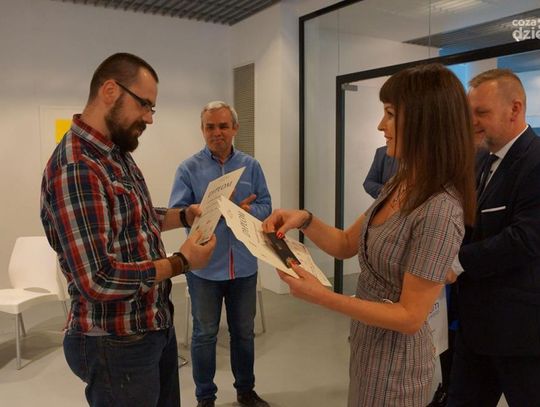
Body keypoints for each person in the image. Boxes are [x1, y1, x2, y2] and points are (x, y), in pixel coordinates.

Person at [262, 63, 476, 407]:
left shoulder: (439, 209)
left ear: (424, 121)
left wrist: (322, 297)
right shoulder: (400, 182)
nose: (380, 125)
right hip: (368, 348)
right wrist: (305, 220)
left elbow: (410, 317)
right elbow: (346, 243)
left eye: (390, 114)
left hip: (398, 369)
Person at [40, 53, 216, 407]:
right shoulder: (78, 167)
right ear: (110, 91)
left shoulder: (114, 152)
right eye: (144, 104)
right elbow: (98, 279)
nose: (149, 118)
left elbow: (135, 217)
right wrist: (181, 262)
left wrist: (184, 216)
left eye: (152, 108)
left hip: (150, 325)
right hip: (116, 342)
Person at [169, 101, 272, 407]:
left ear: (235, 128)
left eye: (223, 126)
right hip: (204, 269)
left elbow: (266, 205)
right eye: (210, 127)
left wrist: (249, 211)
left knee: (244, 333)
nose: (217, 132)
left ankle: (246, 391)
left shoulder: (251, 166)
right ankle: (205, 397)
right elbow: (177, 213)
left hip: (244, 266)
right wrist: (199, 212)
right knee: (204, 335)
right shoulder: (187, 168)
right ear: (202, 130)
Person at [447, 69, 540, 406]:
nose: (471, 122)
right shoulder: (481, 160)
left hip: (521, 335)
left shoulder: (535, 162)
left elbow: (525, 238)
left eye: (481, 112)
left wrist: (455, 262)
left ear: (515, 109)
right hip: (474, 327)